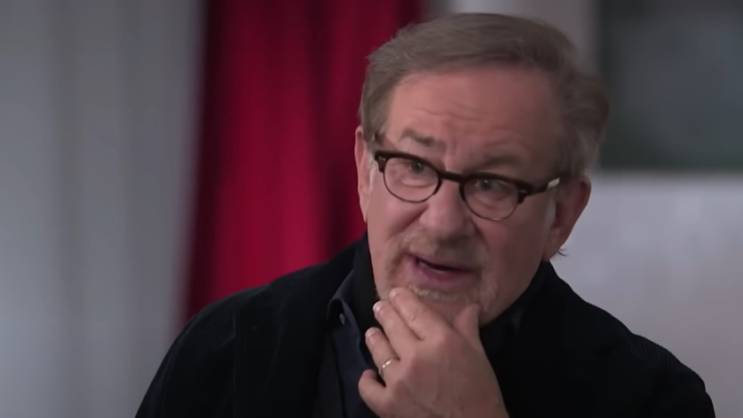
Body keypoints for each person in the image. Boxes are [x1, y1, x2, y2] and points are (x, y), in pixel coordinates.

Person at [137, 13, 714, 418]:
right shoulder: (222, 347)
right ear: (365, 171)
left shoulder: (654, 399)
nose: (441, 223)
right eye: (414, 166)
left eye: (491, 184)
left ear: (561, 214)